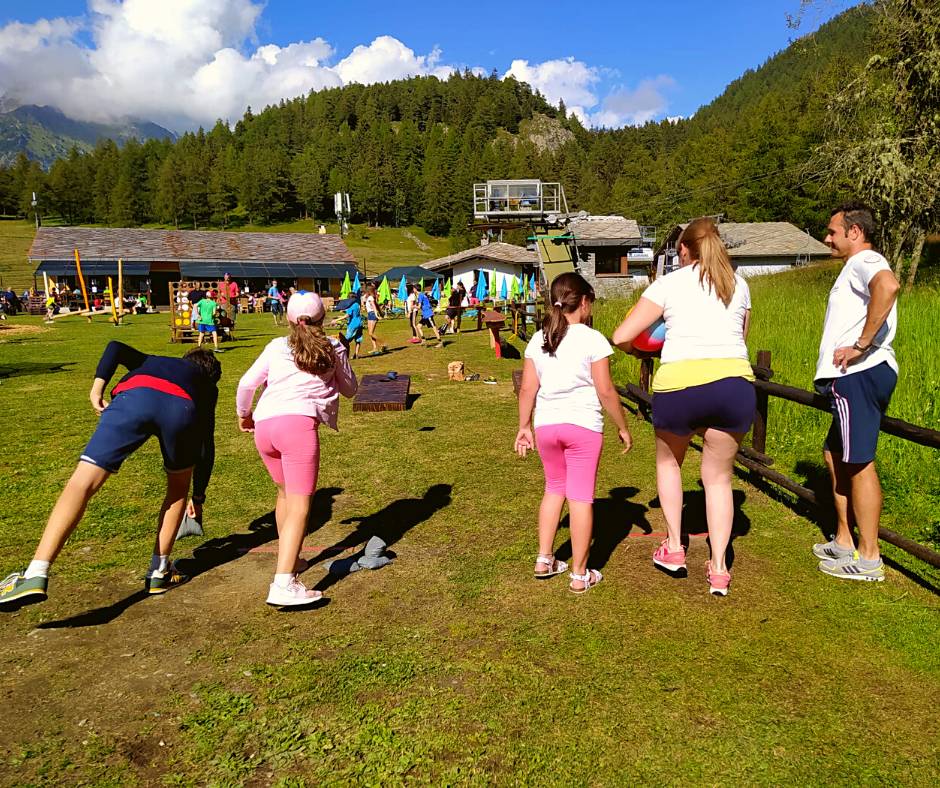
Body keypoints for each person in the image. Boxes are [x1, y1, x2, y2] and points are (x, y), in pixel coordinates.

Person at [0, 343, 221, 608]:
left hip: (133, 397)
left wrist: (97, 389)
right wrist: (198, 497)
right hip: (182, 409)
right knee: (177, 492)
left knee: (82, 483)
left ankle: (36, 572)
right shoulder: (207, 387)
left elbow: (115, 347)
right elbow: (206, 445)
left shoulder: (152, 360)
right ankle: (159, 571)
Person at [612, 217, 755, 596]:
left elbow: (621, 336)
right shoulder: (739, 285)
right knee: (719, 479)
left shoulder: (669, 283)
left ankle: (674, 548)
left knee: (669, 464)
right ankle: (719, 569)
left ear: (683, 250)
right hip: (735, 385)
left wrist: (642, 348)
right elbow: (740, 337)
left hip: (680, 386)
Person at [237, 292, 358, 606]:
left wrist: (244, 415)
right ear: (322, 318)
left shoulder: (277, 346)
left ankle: (291, 561)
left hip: (265, 426)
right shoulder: (333, 347)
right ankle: (283, 584)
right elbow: (350, 390)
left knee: (284, 496)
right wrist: (341, 355)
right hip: (297, 428)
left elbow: (247, 385)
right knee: (302, 505)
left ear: (290, 319)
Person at [516, 273, 632, 593]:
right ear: (583, 301)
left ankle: (544, 559)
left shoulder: (538, 339)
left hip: (546, 426)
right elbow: (606, 390)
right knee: (580, 497)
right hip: (583, 427)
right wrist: (622, 426)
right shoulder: (593, 338)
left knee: (554, 489)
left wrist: (524, 426)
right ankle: (580, 574)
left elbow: (527, 388)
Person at [811, 203, 900, 582]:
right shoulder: (854, 267)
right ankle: (845, 540)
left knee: (859, 463)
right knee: (835, 455)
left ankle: (869, 558)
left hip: (858, 374)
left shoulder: (867, 260)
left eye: (833, 232)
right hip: (851, 377)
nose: (826, 238)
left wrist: (862, 344)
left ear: (855, 232)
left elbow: (889, 285)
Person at [363, 284, 386, 354]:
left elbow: (374, 306)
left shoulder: (371, 298)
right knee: (370, 333)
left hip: (373, 315)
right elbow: (375, 306)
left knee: (371, 333)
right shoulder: (370, 297)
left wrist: (376, 314)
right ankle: (375, 348)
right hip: (370, 314)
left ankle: (383, 344)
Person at [342, 291, 364, 359]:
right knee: (358, 339)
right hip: (359, 323)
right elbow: (355, 313)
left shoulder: (351, 306)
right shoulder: (357, 304)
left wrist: (336, 320)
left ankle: (345, 355)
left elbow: (347, 315)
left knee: (345, 341)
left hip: (353, 325)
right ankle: (356, 354)